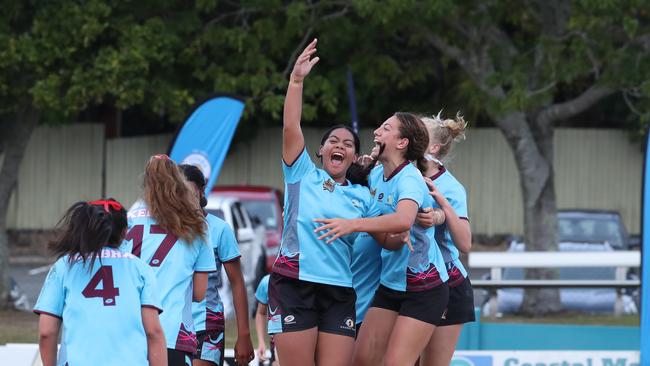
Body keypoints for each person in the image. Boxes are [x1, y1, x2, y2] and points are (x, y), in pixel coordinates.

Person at [270, 39, 408, 366]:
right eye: (333, 140)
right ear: (320, 151)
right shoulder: (302, 174)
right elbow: (291, 125)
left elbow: (387, 240)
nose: (340, 145)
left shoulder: (363, 196)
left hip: (339, 292)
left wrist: (402, 236)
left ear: (352, 156)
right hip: (294, 285)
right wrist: (296, 81)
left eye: (347, 143)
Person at [314, 112, 449, 366]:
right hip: (390, 284)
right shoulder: (375, 176)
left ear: (402, 143)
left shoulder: (409, 178)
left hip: (424, 289)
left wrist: (352, 225)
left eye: (385, 128)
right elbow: (348, 197)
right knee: (362, 360)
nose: (376, 132)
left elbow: (402, 220)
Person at [34, 199, 167, 366]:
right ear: (124, 232)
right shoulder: (140, 269)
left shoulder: (64, 267)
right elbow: (153, 332)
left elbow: (47, 332)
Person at [122, 154, 217, 366]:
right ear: (178, 181)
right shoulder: (197, 224)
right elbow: (200, 294)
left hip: (130, 333)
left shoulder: (127, 221)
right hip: (174, 335)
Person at [179, 164, 255, 366]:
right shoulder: (164, 230)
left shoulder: (220, 229)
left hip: (207, 325)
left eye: (189, 193)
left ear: (202, 191)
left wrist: (244, 334)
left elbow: (237, 283)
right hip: (171, 325)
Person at [417, 113, 474, 366]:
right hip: (406, 281)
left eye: (418, 134)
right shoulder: (398, 173)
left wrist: (441, 212)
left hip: (448, 284)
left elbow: (465, 243)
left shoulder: (451, 188)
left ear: (433, 148)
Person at [254, 274, 279, 365]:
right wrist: (261, 341)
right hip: (276, 342)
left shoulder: (305, 279)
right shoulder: (267, 282)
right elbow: (261, 313)